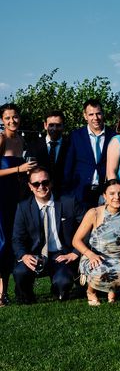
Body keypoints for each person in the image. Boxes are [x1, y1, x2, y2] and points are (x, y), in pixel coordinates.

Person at [12, 167, 83, 303]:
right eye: (36, 184)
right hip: (35, 255)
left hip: (62, 255)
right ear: (30, 186)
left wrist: (76, 252)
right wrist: (24, 255)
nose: (41, 187)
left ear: (51, 183)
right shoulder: (23, 207)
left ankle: (59, 290)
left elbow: (89, 227)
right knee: (20, 272)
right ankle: (26, 294)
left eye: (45, 182)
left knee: (63, 283)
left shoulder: (69, 202)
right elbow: (17, 238)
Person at [73, 178, 120, 305]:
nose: (117, 197)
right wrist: (90, 255)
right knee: (99, 271)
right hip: (94, 257)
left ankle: (113, 290)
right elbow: (76, 240)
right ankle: (91, 291)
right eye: (112, 194)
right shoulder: (94, 213)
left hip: (117, 258)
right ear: (104, 196)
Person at [0, 103, 37, 305]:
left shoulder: (22, 140)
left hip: (18, 195)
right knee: (2, 242)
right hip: (1, 197)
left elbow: (22, 170)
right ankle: (1, 293)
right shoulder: (1, 139)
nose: (12, 121)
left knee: (16, 238)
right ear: (2, 121)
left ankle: (17, 288)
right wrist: (18, 169)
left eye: (15, 117)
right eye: (7, 118)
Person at [64, 99, 116, 210]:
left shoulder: (114, 136)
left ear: (103, 113)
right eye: (91, 114)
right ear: (85, 116)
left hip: (105, 194)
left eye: (98, 113)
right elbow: (68, 166)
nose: (95, 118)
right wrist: (69, 194)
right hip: (80, 194)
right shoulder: (75, 136)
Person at [26, 110, 69, 198]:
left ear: (63, 126)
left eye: (58, 125)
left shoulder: (71, 146)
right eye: (51, 125)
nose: (54, 128)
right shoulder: (33, 146)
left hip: (64, 195)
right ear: (45, 125)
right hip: (39, 195)